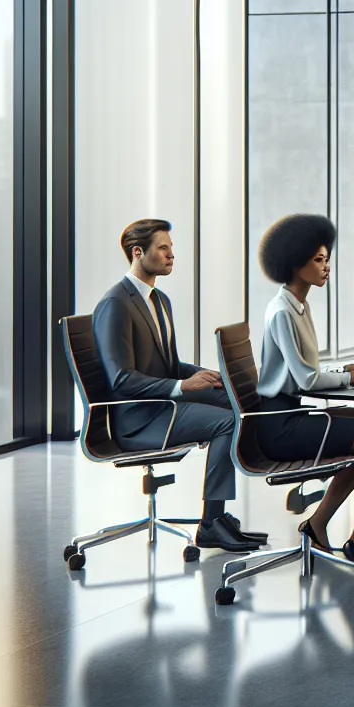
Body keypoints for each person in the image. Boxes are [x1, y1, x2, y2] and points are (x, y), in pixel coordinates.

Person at [94, 219, 266, 553]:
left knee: (237, 401)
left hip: (163, 406)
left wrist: (210, 376)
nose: (171, 255)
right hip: (138, 419)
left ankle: (220, 515)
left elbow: (170, 365)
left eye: (171, 249)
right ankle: (211, 522)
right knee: (228, 422)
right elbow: (121, 379)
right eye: (163, 249)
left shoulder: (160, 301)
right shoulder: (115, 304)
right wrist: (182, 386)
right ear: (137, 252)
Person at [255, 213, 354, 578]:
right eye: (318, 260)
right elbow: (305, 378)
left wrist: (349, 368)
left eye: (326, 258)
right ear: (295, 262)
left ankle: (317, 525)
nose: (326, 266)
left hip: (290, 414)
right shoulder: (282, 312)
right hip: (278, 426)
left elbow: (308, 367)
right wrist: (349, 377)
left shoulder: (297, 305)